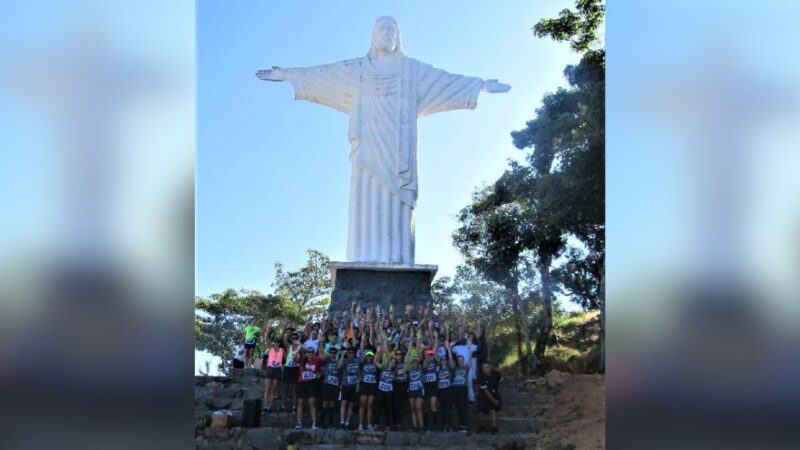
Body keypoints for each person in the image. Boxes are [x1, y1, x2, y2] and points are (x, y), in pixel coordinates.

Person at [294, 345, 321, 430]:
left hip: (311, 383)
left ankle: (314, 424)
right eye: (309, 352)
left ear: (314, 353)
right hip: (301, 383)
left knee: (312, 403)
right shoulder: (303, 359)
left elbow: (319, 371)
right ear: (306, 353)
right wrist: (299, 350)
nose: (310, 353)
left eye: (312, 352)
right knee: (300, 403)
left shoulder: (316, 361)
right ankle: (299, 423)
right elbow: (294, 358)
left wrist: (318, 375)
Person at [447, 338, 471, 434]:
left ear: (463, 361)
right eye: (459, 360)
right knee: (457, 407)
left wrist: (469, 348)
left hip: (463, 388)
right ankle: (461, 425)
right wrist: (449, 348)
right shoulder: (454, 368)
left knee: (463, 407)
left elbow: (469, 358)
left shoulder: (466, 367)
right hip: (455, 389)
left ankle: (465, 426)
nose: (460, 361)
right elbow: (450, 359)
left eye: (461, 360)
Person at [476, 360, 503, 434]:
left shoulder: (497, 374)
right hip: (483, 395)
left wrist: (498, 394)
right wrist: (494, 400)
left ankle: (494, 428)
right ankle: (481, 427)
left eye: (487, 367)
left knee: (492, 409)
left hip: (494, 393)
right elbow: (485, 391)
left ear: (490, 367)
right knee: (480, 410)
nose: (485, 369)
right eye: (483, 367)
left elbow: (500, 383)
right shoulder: (481, 376)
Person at [338, 344, 360, 430]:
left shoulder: (357, 360)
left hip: (353, 385)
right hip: (345, 385)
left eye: (352, 352)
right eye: (349, 352)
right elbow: (339, 366)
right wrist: (343, 355)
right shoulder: (345, 360)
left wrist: (358, 386)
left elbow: (359, 373)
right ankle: (342, 422)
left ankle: (347, 422)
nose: (351, 354)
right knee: (343, 403)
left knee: (351, 405)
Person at [374, 348, 396, 431]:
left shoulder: (395, 371)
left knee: (388, 408)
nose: (392, 363)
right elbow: (375, 362)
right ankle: (375, 424)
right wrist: (378, 352)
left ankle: (388, 426)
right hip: (380, 390)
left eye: (394, 363)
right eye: (391, 362)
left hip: (389, 392)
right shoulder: (383, 367)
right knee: (378, 406)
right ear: (389, 362)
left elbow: (404, 370)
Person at [319, 346, 341, 428]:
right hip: (326, 384)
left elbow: (340, 366)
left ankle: (330, 423)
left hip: (335, 385)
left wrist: (340, 355)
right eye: (331, 353)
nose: (332, 354)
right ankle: (321, 422)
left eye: (334, 353)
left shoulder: (338, 361)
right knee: (325, 404)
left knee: (332, 404)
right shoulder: (327, 360)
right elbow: (322, 355)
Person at [262, 336, 285, 413]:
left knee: (273, 389)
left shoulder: (282, 350)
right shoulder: (270, 349)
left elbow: (285, 359)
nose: (277, 343)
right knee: (267, 388)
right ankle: (265, 406)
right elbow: (266, 339)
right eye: (275, 341)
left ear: (280, 343)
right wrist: (268, 327)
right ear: (273, 342)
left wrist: (282, 365)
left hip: (277, 369)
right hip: (270, 368)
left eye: (278, 341)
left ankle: (269, 406)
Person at [281, 332, 302, 412]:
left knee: (294, 388)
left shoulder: (300, 347)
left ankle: (294, 406)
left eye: (296, 338)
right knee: (285, 388)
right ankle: (283, 405)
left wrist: (299, 343)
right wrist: (284, 328)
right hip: (287, 368)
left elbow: (306, 350)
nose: (294, 339)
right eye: (293, 338)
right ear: (291, 339)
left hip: (296, 368)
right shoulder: (288, 346)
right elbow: (283, 339)